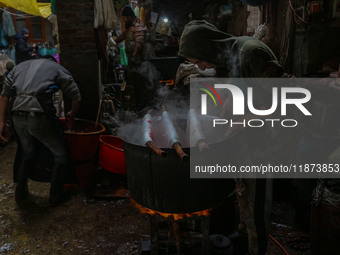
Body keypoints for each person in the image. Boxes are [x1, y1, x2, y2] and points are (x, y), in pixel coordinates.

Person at [179, 20, 295, 255]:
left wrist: (248, 119)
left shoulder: (251, 53)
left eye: (199, 60)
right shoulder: (229, 58)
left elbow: (290, 97)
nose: (201, 67)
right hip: (246, 140)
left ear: (207, 47)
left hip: (264, 142)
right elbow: (244, 88)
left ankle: (255, 248)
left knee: (256, 204)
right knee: (244, 199)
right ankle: (245, 238)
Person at [0, 55, 81, 206]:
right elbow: (76, 97)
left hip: (16, 113)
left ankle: (20, 193)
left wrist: (1, 122)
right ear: (52, 60)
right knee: (61, 155)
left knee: (27, 152)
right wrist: (72, 113)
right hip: (38, 114)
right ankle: (55, 196)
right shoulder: (57, 67)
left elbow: (4, 95)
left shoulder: (19, 66)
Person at [115, 5, 154, 111]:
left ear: (129, 16)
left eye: (124, 18)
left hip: (139, 62)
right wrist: (113, 42)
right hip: (133, 62)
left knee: (141, 84)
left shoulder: (138, 26)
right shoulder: (131, 27)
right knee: (134, 85)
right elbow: (124, 36)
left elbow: (139, 43)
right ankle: (137, 107)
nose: (123, 20)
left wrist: (134, 55)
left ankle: (145, 108)